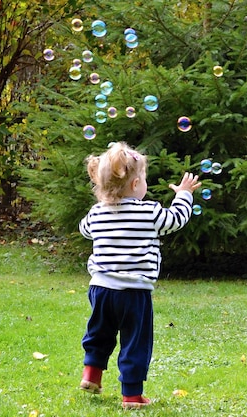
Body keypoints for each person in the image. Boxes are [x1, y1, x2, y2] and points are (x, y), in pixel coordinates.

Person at [78, 142, 201, 409]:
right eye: (143, 178)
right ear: (135, 185)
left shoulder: (97, 212)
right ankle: (132, 396)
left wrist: (104, 206)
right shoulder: (150, 211)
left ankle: (92, 374)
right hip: (134, 291)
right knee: (135, 341)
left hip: (101, 289)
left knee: (100, 331)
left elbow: (85, 230)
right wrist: (184, 194)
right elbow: (176, 219)